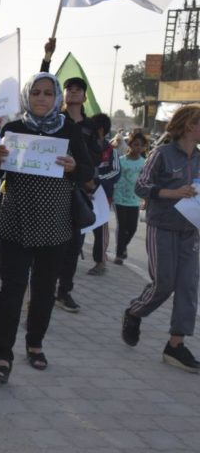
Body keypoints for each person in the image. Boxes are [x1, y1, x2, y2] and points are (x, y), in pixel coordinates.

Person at [0, 73, 93, 384]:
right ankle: (2, 356)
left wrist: (75, 167)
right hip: (16, 223)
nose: (42, 98)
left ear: (56, 97)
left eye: (48, 93)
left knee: (44, 291)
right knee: (11, 291)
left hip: (55, 227)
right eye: (36, 92)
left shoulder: (70, 132)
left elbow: (88, 172)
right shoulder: (13, 129)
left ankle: (35, 344)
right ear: (27, 96)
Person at [122, 104, 200, 373]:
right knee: (164, 284)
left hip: (190, 231)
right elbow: (140, 186)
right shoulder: (162, 154)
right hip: (161, 227)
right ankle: (134, 312)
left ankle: (175, 346)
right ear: (190, 125)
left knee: (188, 287)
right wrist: (172, 193)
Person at [41, 40, 101, 313]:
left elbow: (95, 162)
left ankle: (63, 291)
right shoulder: (54, 122)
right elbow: (41, 85)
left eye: (78, 89)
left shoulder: (90, 128)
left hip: (77, 192)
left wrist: (89, 180)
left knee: (74, 244)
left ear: (84, 96)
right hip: (49, 190)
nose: (73, 91)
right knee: (45, 246)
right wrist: (47, 57)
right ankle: (41, 291)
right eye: (69, 88)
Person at [87, 113, 121, 276]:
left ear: (100, 130)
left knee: (100, 231)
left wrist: (96, 182)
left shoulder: (111, 150)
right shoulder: (83, 145)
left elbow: (116, 172)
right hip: (81, 193)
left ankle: (100, 262)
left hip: (102, 197)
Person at [113, 131, 148, 265]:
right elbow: (114, 177)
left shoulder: (144, 163)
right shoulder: (120, 161)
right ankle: (119, 255)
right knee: (122, 226)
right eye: (135, 144)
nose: (138, 148)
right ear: (130, 144)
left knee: (132, 228)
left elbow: (145, 183)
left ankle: (123, 247)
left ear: (144, 147)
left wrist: (146, 199)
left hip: (134, 200)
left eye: (141, 145)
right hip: (119, 197)